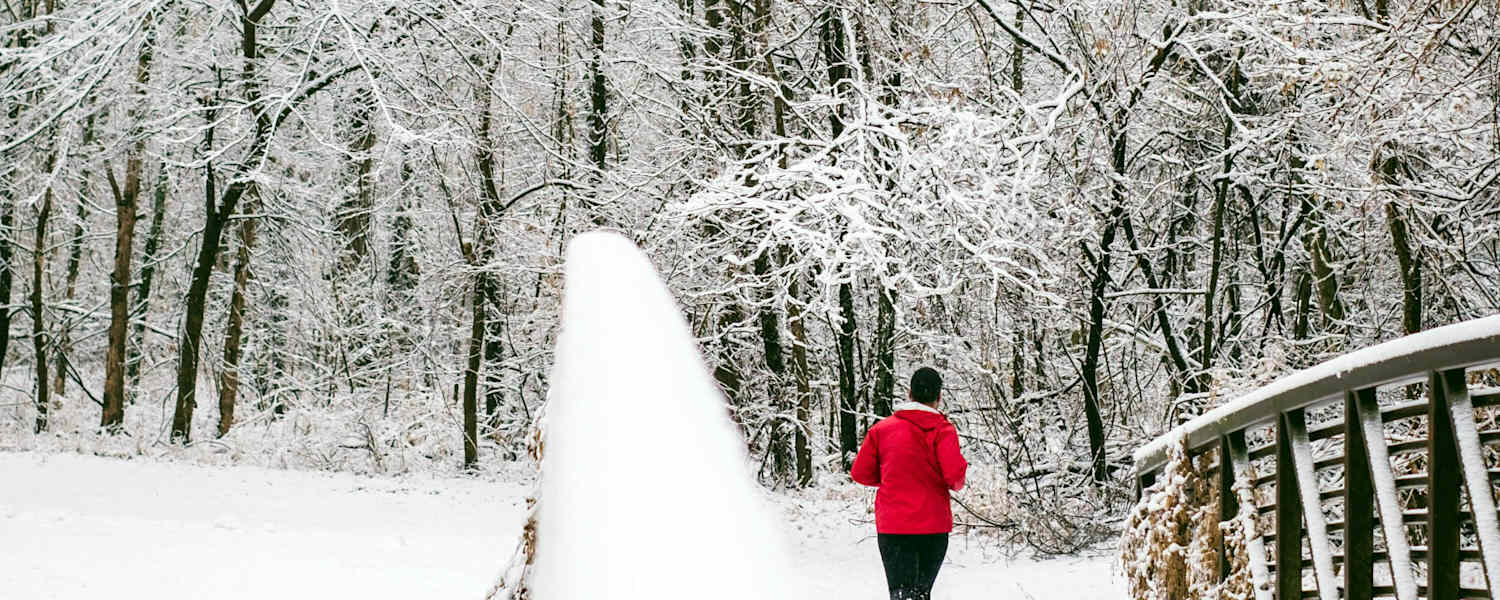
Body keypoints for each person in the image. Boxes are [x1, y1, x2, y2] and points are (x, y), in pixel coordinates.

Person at [850, 367, 968, 600]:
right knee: (921, 594)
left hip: (893, 527)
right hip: (933, 528)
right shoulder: (943, 430)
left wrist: (889, 477)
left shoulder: (881, 430)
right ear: (939, 396)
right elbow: (955, 478)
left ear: (909, 394)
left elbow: (860, 473)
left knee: (901, 594)